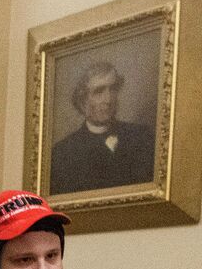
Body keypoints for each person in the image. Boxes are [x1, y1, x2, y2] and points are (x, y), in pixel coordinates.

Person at [48, 62, 155, 195]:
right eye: (99, 92)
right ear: (83, 100)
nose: (108, 99)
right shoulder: (62, 153)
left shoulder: (142, 137)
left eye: (113, 89)